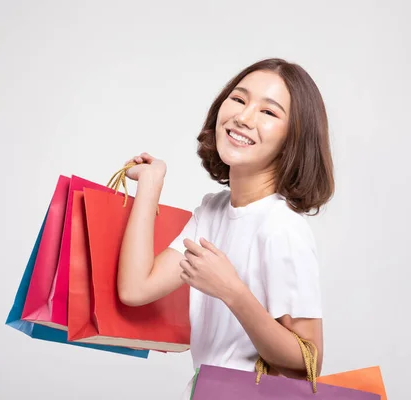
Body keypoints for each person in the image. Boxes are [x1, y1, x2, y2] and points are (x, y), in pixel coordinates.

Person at [117, 58, 335, 398]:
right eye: (239, 99)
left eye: (269, 112)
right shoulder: (213, 212)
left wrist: (232, 291)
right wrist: (151, 184)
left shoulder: (282, 227)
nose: (244, 117)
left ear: (294, 138)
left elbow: (307, 365)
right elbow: (135, 289)